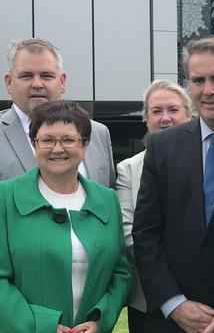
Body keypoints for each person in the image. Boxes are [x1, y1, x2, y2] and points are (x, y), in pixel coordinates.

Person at [132, 36, 214, 332]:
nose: (208, 90)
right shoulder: (162, 147)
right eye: (198, 80)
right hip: (173, 321)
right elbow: (146, 233)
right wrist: (173, 303)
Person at [0, 100, 130, 332]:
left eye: (68, 140)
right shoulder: (5, 197)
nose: (57, 148)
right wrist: (41, 325)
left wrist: (101, 319)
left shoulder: (107, 200)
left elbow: (120, 273)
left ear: (85, 145)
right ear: (34, 143)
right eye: (47, 140)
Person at [116, 80, 192, 332]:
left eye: (173, 110)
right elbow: (129, 235)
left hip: (210, 296)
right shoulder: (127, 169)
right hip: (151, 301)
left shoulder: (212, 160)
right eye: (156, 111)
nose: (165, 118)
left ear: (189, 115)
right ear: (146, 118)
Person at [1, 38, 115, 187]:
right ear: (9, 82)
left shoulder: (98, 133)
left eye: (46, 76)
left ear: (62, 82)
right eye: (26, 76)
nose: (37, 84)